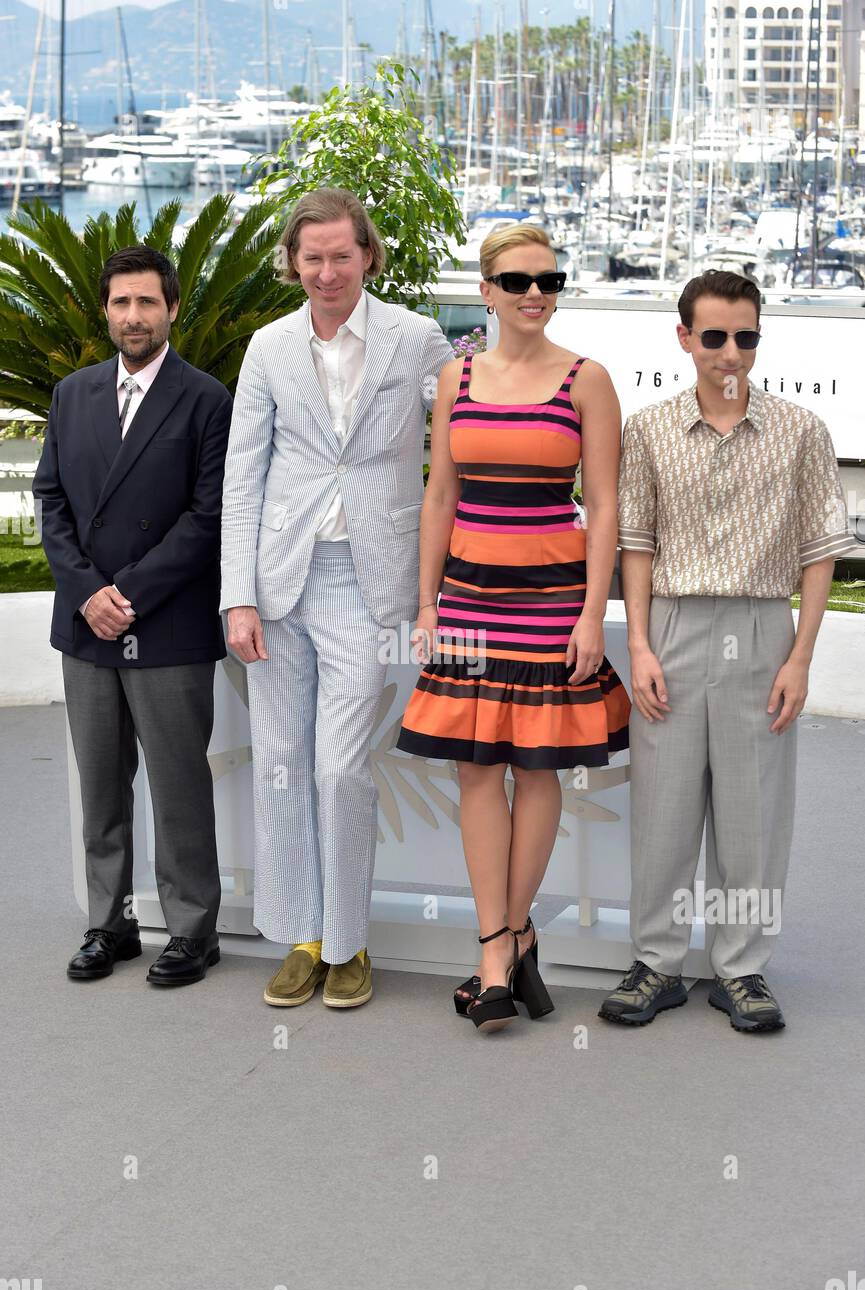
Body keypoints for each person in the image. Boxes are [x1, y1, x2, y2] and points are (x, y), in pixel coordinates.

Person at [600, 268, 856, 1032]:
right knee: (663, 807)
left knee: (754, 812)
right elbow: (635, 545)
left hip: (760, 626)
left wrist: (800, 657)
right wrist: (639, 645)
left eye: (744, 337)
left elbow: (819, 551)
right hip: (673, 628)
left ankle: (741, 968)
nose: (729, 353)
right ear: (683, 338)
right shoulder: (646, 429)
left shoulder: (801, 431)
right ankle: (656, 962)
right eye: (713, 336)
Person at [220, 187, 454, 1010]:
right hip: (278, 584)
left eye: (341, 255)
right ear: (294, 263)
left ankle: (348, 941)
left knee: (339, 767)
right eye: (311, 257)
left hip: (369, 580)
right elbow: (241, 478)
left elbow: (466, 437)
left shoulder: (417, 339)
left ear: (367, 256)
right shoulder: (268, 348)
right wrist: (236, 597)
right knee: (282, 766)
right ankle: (300, 936)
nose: (326, 271)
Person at [396, 225, 630, 1033]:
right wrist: (426, 604)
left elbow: (603, 507)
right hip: (466, 599)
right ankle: (506, 942)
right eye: (517, 280)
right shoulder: (454, 379)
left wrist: (591, 614)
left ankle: (500, 944)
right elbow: (439, 498)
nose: (536, 292)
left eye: (549, 279)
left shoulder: (586, 380)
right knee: (472, 770)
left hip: (550, 601)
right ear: (486, 291)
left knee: (535, 772)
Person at [33, 245, 233, 986]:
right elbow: (50, 502)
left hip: (167, 623)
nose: (133, 316)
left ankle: (191, 932)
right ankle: (108, 924)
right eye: (121, 303)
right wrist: (88, 591)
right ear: (106, 310)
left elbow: (206, 516)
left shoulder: (206, 398)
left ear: (172, 309)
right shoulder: (72, 393)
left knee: (178, 784)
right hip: (86, 626)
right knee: (100, 784)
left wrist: (131, 594)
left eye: (147, 302)